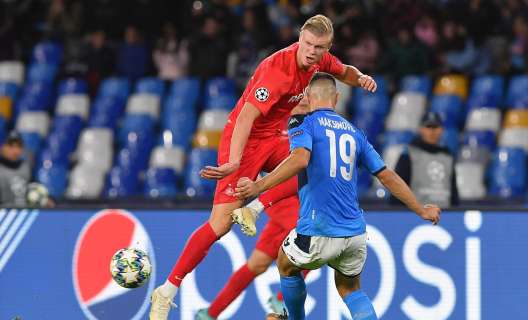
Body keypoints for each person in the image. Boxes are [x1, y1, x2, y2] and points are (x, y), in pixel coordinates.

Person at [149, 14, 378, 320]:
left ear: (327, 47)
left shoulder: (320, 62)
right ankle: (167, 289)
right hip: (245, 141)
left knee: (312, 164)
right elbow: (245, 117)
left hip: (275, 136)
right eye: (307, 43)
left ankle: (255, 209)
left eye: (319, 47)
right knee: (219, 225)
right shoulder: (277, 70)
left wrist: (361, 77)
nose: (311, 51)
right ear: (299, 38)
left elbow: (346, 71)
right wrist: (233, 161)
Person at [235, 72, 441, 320]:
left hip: (317, 229)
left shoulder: (302, 122)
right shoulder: (355, 133)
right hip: (354, 233)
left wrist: (259, 186)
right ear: (337, 98)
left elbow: (300, 159)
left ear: (308, 97)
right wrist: (421, 209)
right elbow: (387, 176)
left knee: (285, 264)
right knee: (350, 288)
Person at [391, 112, 459, 208]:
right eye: (428, 126)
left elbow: (453, 193)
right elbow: (397, 190)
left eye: (436, 127)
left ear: (442, 130)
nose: (432, 131)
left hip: (445, 215)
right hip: (417, 215)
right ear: (421, 129)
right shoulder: (408, 155)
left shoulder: (448, 157)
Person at [0, 131, 31, 207]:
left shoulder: (25, 166)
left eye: (19, 146)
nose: (15, 150)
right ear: (1, 147)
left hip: (25, 213)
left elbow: (33, 187)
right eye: (11, 146)